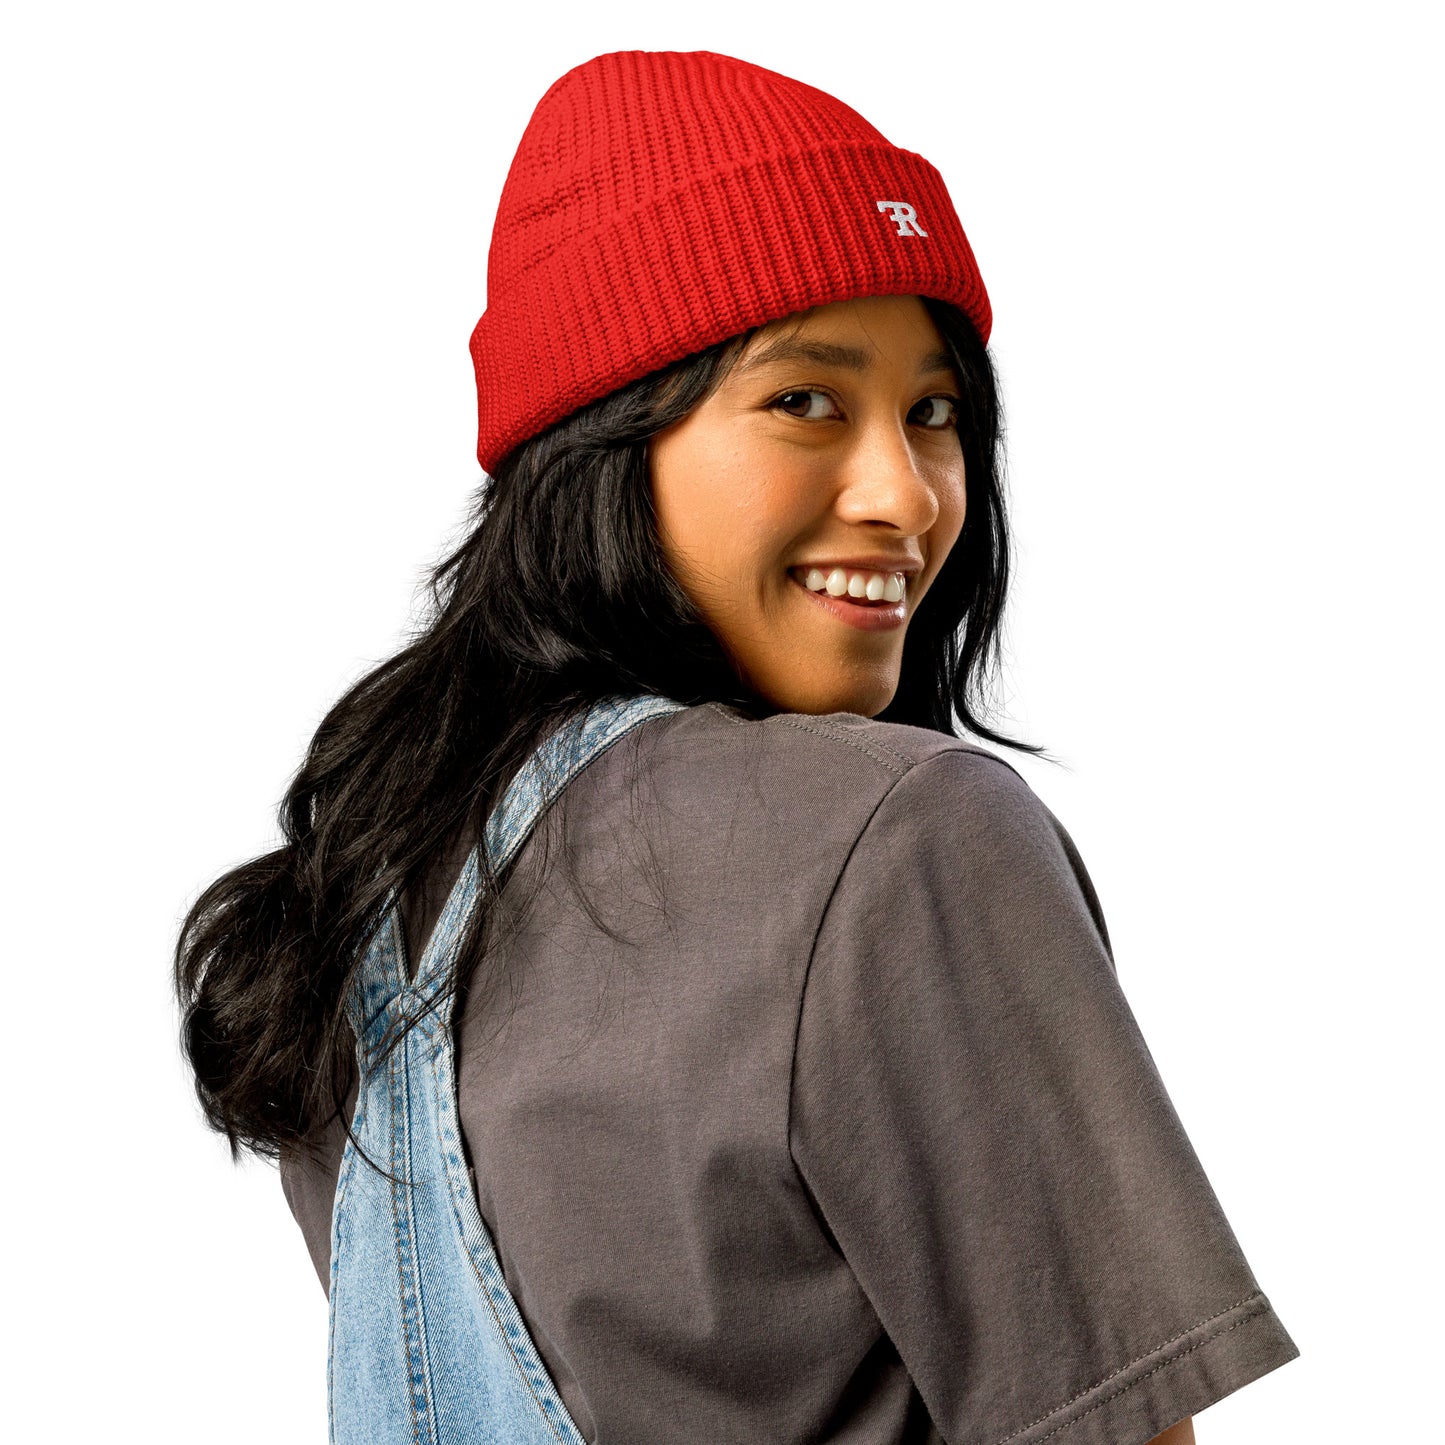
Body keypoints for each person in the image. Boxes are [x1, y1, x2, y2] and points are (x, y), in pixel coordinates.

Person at [173, 48, 1299, 1445]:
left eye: (935, 412)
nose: (907, 495)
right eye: (805, 400)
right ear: (604, 439)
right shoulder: (904, 836)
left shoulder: (367, 904)